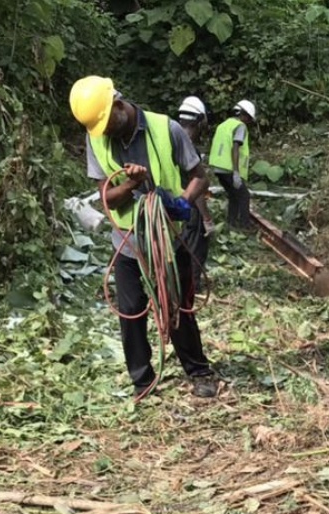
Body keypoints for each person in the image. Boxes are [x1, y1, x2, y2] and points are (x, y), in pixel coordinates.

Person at [69, 76, 218, 399]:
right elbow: (108, 200)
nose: (105, 131)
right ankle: (142, 380)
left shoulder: (167, 129)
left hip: (168, 239)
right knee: (130, 310)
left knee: (177, 305)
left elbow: (199, 177)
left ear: (118, 104)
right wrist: (131, 185)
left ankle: (199, 371)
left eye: (107, 123)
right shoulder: (96, 138)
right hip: (127, 243)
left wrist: (183, 202)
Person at [176, 95, 215, 279]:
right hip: (189, 208)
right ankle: (191, 286)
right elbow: (197, 186)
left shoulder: (171, 141)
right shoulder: (189, 148)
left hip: (172, 205)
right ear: (199, 121)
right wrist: (206, 218)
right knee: (194, 250)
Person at [209, 99, 256, 230]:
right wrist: (236, 172)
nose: (248, 122)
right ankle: (245, 226)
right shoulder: (240, 126)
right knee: (244, 195)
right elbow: (235, 147)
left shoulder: (223, 125)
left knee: (234, 196)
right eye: (249, 118)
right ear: (243, 114)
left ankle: (231, 224)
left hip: (218, 168)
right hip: (229, 168)